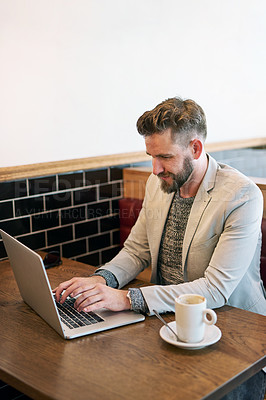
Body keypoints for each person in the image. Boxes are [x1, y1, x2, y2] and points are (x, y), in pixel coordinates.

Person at [55, 97, 266, 399]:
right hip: (166, 321)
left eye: (165, 157)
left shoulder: (241, 195)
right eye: (150, 156)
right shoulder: (160, 183)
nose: (154, 169)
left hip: (235, 335)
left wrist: (127, 299)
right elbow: (136, 250)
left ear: (195, 148)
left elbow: (216, 290)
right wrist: (102, 281)